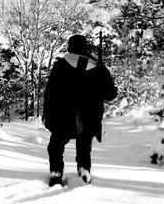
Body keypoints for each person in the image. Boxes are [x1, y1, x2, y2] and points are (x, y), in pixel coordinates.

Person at [43, 34, 117, 186]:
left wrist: (47, 115)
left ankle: (56, 174)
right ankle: (84, 172)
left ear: (70, 47)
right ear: (85, 48)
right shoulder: (98, 68)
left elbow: (50, 93)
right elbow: (110, 95)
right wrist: (104, 76)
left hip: (62, 116)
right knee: (84, 147)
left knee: (56, 146)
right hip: (89, 117)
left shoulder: (60, 65)